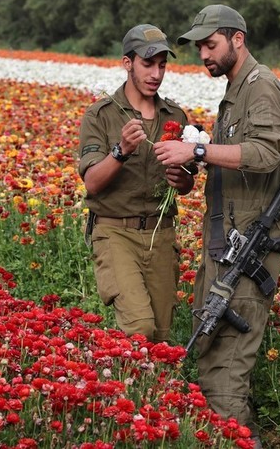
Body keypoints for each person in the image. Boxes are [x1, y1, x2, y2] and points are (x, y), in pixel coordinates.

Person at [153, 5, 280, 446]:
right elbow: (234, 164)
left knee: (225, 375)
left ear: (237, 39)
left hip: (248, 251)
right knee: (213, 361)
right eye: (199, 48)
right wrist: (191, 170)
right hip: (226, 247)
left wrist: (198, 153)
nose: (204, 56)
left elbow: (268, 153)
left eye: (210, 45)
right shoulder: (234, 91)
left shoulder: (260, 87)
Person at [78, 24, 195, 343]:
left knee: (161, 335)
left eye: (162, 64)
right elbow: (92, 183)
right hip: (115, 232)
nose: (156, 73)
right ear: (127, 63)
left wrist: (182, 180)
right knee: (140, 327)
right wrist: (121, 151)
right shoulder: (101, 115)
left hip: (161, 234)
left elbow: (186, 183)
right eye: (148, 63)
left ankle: (146, 393)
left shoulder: (175, 115)